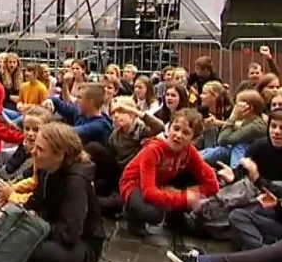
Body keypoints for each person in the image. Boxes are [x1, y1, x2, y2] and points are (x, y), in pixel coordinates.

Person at [15, 122, 106, 262]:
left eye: (41, 149)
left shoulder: (75, 182)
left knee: (42, 252)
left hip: (83, 243)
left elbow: (69, 234)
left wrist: (36, 227)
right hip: (50, 226)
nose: (33, 152)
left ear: (59, 155)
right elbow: (35, 200)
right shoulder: (47, 168)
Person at [119, 108, 220, 236]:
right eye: (176, 129)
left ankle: (174, 219)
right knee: (154, 214)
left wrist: (189, 193)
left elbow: (212, 184)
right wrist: (184, 198)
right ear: (169, 128)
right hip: (134, 184)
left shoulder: (189, 151)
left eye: (186, 132)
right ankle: (131, 212)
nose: (178, 135)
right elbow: (148, 193)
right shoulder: (153, 150)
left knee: (190, 178)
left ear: (193, 139)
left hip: (159, 182)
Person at [0, 106, 53, 205]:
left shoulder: (47, 158)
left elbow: (40, 197)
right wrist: (13, 187)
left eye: (36, 129)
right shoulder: (34, 151)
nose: (30, 133)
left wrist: (12, 195)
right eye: (27, 128)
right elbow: (34, 180)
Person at [201, 90, 267, 168]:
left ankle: (236, 175)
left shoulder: (256, 127)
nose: (235, 108)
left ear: (249, 108)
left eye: (237, 105)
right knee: (220, 150)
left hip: (251, 158)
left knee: (238, 146)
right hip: (236, 152)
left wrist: (233, 117)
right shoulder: (248, 121)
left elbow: (223, 140)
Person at [44, 84, 113, 146]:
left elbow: (68, 132)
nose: (76, 100)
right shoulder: (82, 114)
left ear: (90, 102)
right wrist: (50, 101)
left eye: (80, 98)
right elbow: (58, 103)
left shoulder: (100, 125)